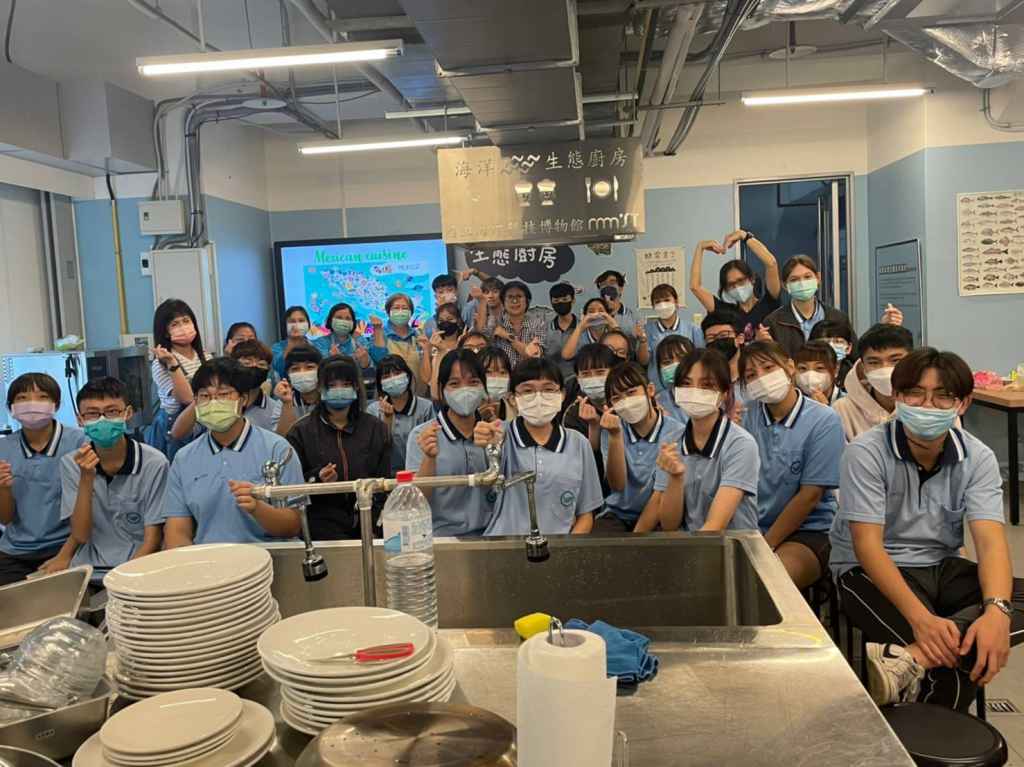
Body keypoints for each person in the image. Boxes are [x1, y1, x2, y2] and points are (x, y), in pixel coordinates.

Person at [830, 348, 1024, 712]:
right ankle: (930, 740)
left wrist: (998, 613)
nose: (927, 405)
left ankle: (910, 659)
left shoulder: (977, 457)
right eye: (915, 394)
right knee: (954, 664)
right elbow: (867, 546)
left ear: (963, 404)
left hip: (941, 565)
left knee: (975, 627)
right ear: (897, 397)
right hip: (870, 570)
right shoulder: (866, 453)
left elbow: (991, 544)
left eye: (943, 396)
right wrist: (922, 621)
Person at [162, 358, 305, 547]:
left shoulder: (277, 449)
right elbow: (177, 531)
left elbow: (294, 525)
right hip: (208, 558)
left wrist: (258, 508)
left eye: (223, 394)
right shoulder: (184, 458)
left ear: (243, 399)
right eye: (205, 396)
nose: (213, 403)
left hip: (268, 557)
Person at [739, 341, 846, 589]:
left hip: (808, 530)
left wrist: (765, 545)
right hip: (751, 527)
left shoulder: (823, 420)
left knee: (769, 582)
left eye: (768, 368)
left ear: (789, 367)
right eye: (751, 375)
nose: (761, 378)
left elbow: (810, 496)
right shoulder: (746, 417)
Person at [58, 378, 167, 583]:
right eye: (92, 413)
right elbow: (80, 535)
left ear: (127, 413)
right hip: (88, 569)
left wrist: (124, 581)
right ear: (80, 419)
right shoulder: (71, 463)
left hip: (138, 567)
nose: (102, 420)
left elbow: (152, 540)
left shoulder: (154, 463)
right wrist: (86, 479)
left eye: (112, 411)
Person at [479, 358, 603, 536]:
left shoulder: (578, 443)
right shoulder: (499, 435)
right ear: (512, 399)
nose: (539, 397)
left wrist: (566, 547)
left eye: (548, 389)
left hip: (561, 545)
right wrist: (487, 444)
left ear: (562, 394)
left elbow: (586, 514)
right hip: (505, 543)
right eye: (528, 391)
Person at [645, 349, 761, 532]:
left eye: (706, 385)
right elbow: (669, 524)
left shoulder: (741, 444)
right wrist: (675, 478)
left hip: (732, 542)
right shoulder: (671, 442)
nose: (694, 392)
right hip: (691, 541)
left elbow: (715, 526)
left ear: (724, 393)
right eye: (686, 384)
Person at [286, 355, 391, 541]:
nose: (339, 390)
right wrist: (317, 478)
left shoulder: (376, 428)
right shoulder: (300, 432)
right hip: (320, 528)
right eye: (332, 385)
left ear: (356, 387)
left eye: (346, 384)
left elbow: (385, 482)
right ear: (320, 388)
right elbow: (292, 487)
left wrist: (377, 524)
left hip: (370, 523)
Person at [0, 374, 87, 585]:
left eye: (42, 397)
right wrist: (3, 488)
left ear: (56, 404)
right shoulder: (4, 448)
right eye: (22, 398)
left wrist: (65, 555)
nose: (32, 404)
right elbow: (5, 519)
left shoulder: (80, 442)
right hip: (15, 551)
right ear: (11, 407)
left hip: (68, 545)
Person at [406, 349, 497, 536]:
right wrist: (429, 457)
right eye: (454, 384)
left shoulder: (494, 432)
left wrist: (496, 449)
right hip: (441, 538)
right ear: (441, 389)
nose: (465, 390)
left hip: (492, 534)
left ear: (484, 387)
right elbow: (417, 502)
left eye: (473, 382)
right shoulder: (422, 435)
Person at [595, 362, 685, 533]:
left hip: (659, 514)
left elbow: (661, 495)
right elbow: (617, 485)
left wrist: (635, 539)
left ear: (650, 390)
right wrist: (615, 437)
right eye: (617, 398)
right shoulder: (610, 429)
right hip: (617, 514)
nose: (625, 402)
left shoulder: (676, 432)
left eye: (631, 393)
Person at [689, 230, 782, 342]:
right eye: (731, 284)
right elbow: (695, 287)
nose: (737, 287)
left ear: (752, 279)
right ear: (726, 289)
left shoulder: (769, 302)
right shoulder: (725, 312)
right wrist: (700, 248)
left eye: (740, 281)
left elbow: (771, 264)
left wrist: (745, 236)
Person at [146, 299, 210, 459]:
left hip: (204, 420)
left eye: (186, 321)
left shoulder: (205, 356)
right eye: (175, 324)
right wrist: (172, 363)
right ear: (165, 332)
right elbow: (187, 398)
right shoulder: (160, 363)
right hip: (174, 425)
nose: (183, 327)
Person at [834, 324, 914, 441]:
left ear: (911, 361)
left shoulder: (926, 404)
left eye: (895, 360)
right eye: (874, 362)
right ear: (863, 367)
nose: (885, 369)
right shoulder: (843, 409)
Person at [367, 355, 432, 473]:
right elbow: (374, 450)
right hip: (386, 476)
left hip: (419, 473)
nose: (393, 379)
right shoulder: (373, 410)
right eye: (386, 377)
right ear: (380, 384)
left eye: (397, 373)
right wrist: (387, 421)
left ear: (408, 375)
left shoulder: (426, 407)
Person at [644, 284, 703, 383]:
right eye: (657, 302)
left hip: (687, 383)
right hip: (657, 385)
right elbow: (644, 361)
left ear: (676, 302)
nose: (663, 305)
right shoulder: (647, 330)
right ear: (653, 306)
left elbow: (700, 359)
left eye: (667, 300)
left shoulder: (693, 329)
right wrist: (642, 341)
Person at [563, 343, 620, 442]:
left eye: (600, 372)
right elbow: (581, 450)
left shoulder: (628, 403)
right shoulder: (573, 413)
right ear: (578, 378)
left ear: (614, 372)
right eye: (586, 374)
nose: (593, 379)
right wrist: (594, 425)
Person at [485, 281, 546, 368]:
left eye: (519, 296)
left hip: (529, 374)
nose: (514, 301)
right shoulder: (495, 323)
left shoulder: (538, 324)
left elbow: (534, 356)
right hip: (503, 374)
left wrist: (507, 336)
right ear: (503, 302)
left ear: (527, 301)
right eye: (510, 297)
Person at [701, 308, 747, 421]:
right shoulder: (705, 382)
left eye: (723, 336)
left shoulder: (754, 375)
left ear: (740, 339)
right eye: (711, 338)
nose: (717, 341)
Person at [370, 293, 424, 391]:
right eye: (396, 308)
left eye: (404, 308)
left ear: (411, 313)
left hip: (418, 393)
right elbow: (379, 360)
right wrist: (377, 330)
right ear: (388, 312)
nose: (400, 311)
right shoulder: (380, 334)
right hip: (390, 394)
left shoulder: (418, 335)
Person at [313, 302, 374, 385]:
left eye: (348, 318)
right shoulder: (320, 343)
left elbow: (371, 374)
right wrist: (336, 362)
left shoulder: (360, 341)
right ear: (330, 320)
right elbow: (319, 374)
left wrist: (365, 364)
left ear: (353, 323)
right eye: (339, 317)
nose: (343, 321)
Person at [424, 302, 466, 400]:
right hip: (436, 397)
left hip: (461, 395)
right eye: (441, 320)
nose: (445, 323)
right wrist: (426, 349)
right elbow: (426, 378)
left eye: (450, 319)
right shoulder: (433, 345)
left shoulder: (465, 344)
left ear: (458, 321)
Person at [654, 335, 695, 425]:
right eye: (667, 362)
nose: (676, 365)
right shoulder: (658, 401)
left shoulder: (710, 395)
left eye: (682, 359)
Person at [560, 298, 618, 362]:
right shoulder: (578, 335)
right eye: (591, 312)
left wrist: (614, 325)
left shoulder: (613, 332)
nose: (596, 315)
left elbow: (623, 350)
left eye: (601, 311)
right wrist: (580, 327)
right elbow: (566, 356)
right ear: (584, 316)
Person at [809, 318, 856, 390]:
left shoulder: (856, 376)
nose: (830, 346)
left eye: (837, 342)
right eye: (824, 342)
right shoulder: (804, 374)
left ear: (848, 348)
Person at [545, 282, 579, 380]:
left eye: (565, 299)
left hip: (579, 381)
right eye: (556, 300)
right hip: (551, 380)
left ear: (573, 300)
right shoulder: (543, 328)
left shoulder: (584, 327)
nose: (560, 303)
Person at [281, 343, 323, 422]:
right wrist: (287, 404)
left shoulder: (331, 399)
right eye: (295, 368)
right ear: (288, 375)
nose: (302, 372)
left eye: (309, 367)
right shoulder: (283, 401)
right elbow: (281, 431)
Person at [794, 341, 842, 406]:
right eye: (803, 368)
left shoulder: (847, 404)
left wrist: (825, 410)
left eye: (820, 368)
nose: (810, 375)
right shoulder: (792, 402)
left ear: (836, 370)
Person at [478, 345, 518, 423]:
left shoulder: (516, 407)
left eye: (502, 372)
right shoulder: (468, 409)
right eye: (488, 372)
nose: (496, 377)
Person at [595, 270, 639, 340]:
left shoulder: (633, 318)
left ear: (621, 289)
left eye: (612, 282)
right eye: (603, 283)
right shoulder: (594, 315)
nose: (607, 286)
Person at [272, 306, 313, 379]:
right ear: (285, 325)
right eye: (292, 321)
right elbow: (278, 369)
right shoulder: (277, 347)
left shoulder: (316, 345)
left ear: (308, 324)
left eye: (301, 321)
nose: (297, 325)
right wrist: (291, 344)